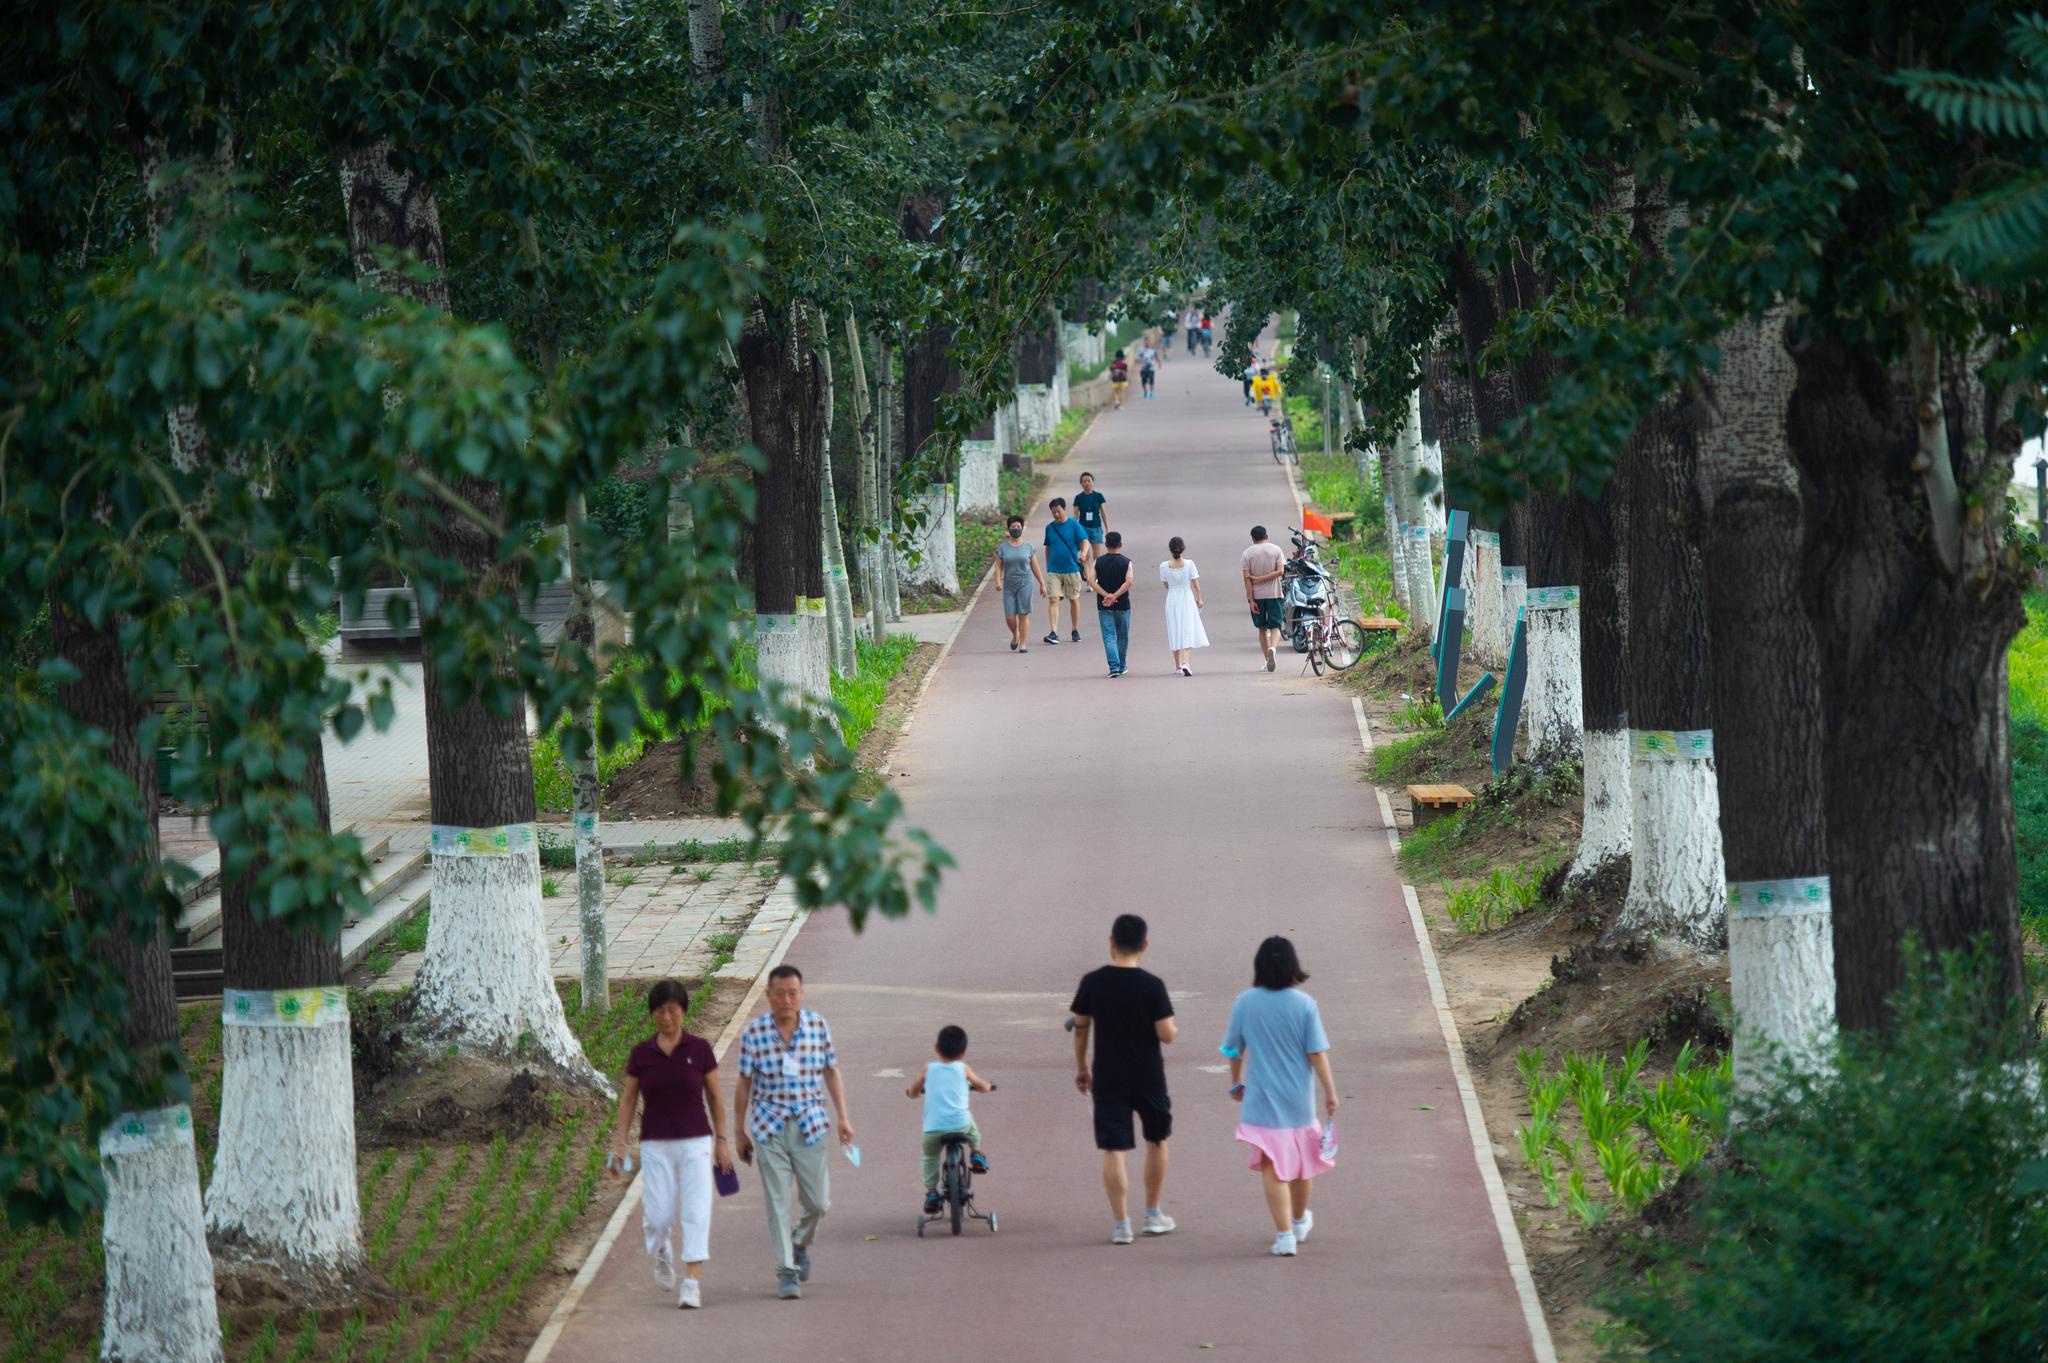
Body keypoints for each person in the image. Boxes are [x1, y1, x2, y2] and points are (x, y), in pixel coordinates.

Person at [609, 979, 734, 1309]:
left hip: (696, 1140)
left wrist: (722, 1140)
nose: (666, 1017)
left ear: (683, 1012)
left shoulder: (699, 1050)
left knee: (696, 1210)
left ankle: (692, 1281)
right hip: (656, 1143)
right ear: (652, 1014)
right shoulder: (642, 1054)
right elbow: (627, 1101)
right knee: (658, 1215)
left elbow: (716, 1098)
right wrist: (619, 1144)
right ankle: (662, 1250)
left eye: (673, 1010)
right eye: (660, 1011)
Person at [733, 965, 854, 1301]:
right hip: (768, 1127)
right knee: (776, 1200)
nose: (787, 1000)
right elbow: (744, 1083)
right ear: (768, 995)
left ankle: (800, 1241)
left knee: (819, 1203)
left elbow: (832, 1071)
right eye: (780, 993)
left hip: (810, 1125)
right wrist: (738, 1131)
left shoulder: (817, 1026)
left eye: (793, 993)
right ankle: (787, 1270)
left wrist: (844, 1117)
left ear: (802, 993)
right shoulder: (754, 1033)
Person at [1221, 937, 1339, 1257]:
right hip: (1299, 1099)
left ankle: (1284, 1234)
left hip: (1260, 1099)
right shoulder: (1304, 1005)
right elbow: (1316, 1052)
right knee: (1302, 1162)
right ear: (1292, 966)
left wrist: (1236, 1081)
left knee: (1272, 1165)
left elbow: (1233, 1048)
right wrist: (1330, 1091)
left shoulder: (1245, 1002)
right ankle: (1300, 1220)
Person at [1071, 913, 1178, 1244]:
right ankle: (1152, 1213)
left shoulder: (1093, 982)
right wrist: (1172, 1026)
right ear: (1144, 945)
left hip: (1108, 1075)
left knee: (1113, 1148)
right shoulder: (1153, 985)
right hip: (1148, 1076)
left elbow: (1081, 1028)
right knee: (1157, 1141)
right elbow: (1167, 1035)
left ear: (1111, 941)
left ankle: (1121, 1225)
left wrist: (1082, 1067)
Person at [905, 1025, 995, 1214]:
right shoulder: (963, 1068)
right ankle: (976, 1153)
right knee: (971, 1127)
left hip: (933, 1129)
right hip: (960, 1125)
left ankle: (931, 1192)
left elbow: (913, 1092)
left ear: (936, 1048)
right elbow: (982, 1086)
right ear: (963, 1053)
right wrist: (987, 1086)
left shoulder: (928, 1069)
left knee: (929, 1156)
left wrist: (912, 1093)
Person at [1042, 497, 1091, 645]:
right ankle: (1054, 632)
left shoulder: (1074, 525)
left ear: (1064, 509)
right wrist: (1048, 566)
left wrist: (1083, 553)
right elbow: (1048, 547)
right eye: (1053, 512)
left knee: (1073, 599)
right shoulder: (1049, 528)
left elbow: (1085, 541)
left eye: (1058, 511)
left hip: (1071, 568)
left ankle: (1075, 629)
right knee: (1053, 599)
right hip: (1054, 570)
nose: (1056, 515)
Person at [1240, 525, 1288, 672]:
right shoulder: (1276, 550)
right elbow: (1281, 571)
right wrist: (1264, 578)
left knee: (1261, 628)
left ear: (1253, 539)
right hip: (1274, 594)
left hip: (1257, 596)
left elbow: (1247, 579)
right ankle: (1272, 648)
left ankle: (1267, 660)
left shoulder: (1247, 554)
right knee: (1276, 626)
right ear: (1266, 536)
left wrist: (1251, 599)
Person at [1086, 530, 1134, 678]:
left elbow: (1091, 581)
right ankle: (1122, 665)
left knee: (1109, 636)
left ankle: (1113, 666)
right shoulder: (1126, 562)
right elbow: (1129, 581)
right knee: (1122, 636)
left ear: (1106, 545)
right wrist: (1115, 595)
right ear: (1120, 544)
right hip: (1122, 604)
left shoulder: (1098, 561)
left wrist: (1105, 595)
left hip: (1103, 604)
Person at [996, 514, 1047, 653]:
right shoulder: (1003, 548)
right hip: (1009, 585)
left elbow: (1035, 567)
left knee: (1023, 614)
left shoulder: (1028, 547)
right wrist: (998, 581)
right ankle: (1015, 634)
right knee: (1010, 616)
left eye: (1018, 527)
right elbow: (998, 566)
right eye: (1013, 527)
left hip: (1025, 582)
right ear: (1009, 529)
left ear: (1022, 529)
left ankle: (1023, 644)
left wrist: (1042, 584)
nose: (1016, 529)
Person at [1160, 536, 1209, 676]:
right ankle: (1186, 662)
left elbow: (1165, 584)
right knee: (1187, 628)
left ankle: (1177, 666)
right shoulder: (1189, 564)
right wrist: (1199, 599)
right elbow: (1195, 584)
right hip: (1187, 597)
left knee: (1174, 629)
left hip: (1172, 598)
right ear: (1183, 549)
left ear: (1170, 550)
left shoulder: (1164, 566)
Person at [1073, 472, 1109, 549]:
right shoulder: (1078, 498)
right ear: (1081, 483)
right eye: (1084, 481)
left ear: (1092, 482)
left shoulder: (1099, 496)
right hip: (1083, 527)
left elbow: (1103, 512)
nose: (1087, 483)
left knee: (1097, 556)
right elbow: (1076, 514)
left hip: (1096, 527)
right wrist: (1073, 527)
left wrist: (1106, 528)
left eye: (1089, 481)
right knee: (1085, 555)